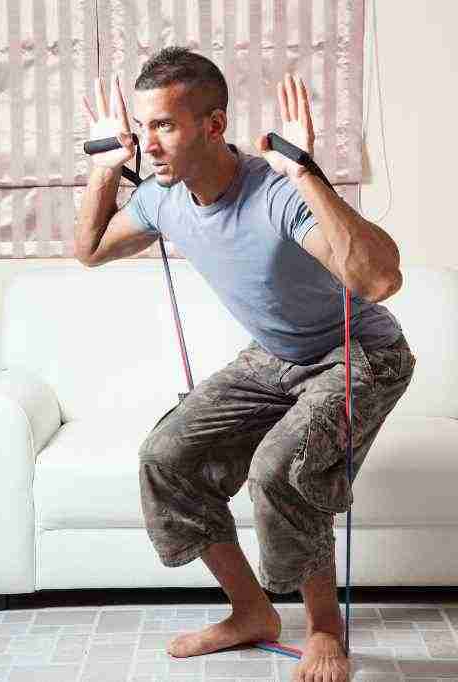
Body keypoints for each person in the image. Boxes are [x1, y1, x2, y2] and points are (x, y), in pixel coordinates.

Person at [76, 47, 414, 682]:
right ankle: (251, 613)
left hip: (361, 354)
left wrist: (307, 175)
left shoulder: (275, 195)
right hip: (278, 357)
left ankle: (323, 630)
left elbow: (379, 280)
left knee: (280, 465)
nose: (148, 142)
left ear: (213, 124)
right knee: (165, 455)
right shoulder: (162, 198)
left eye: (165, 125)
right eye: (143, 126)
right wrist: (103, 167)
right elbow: (89, 250)